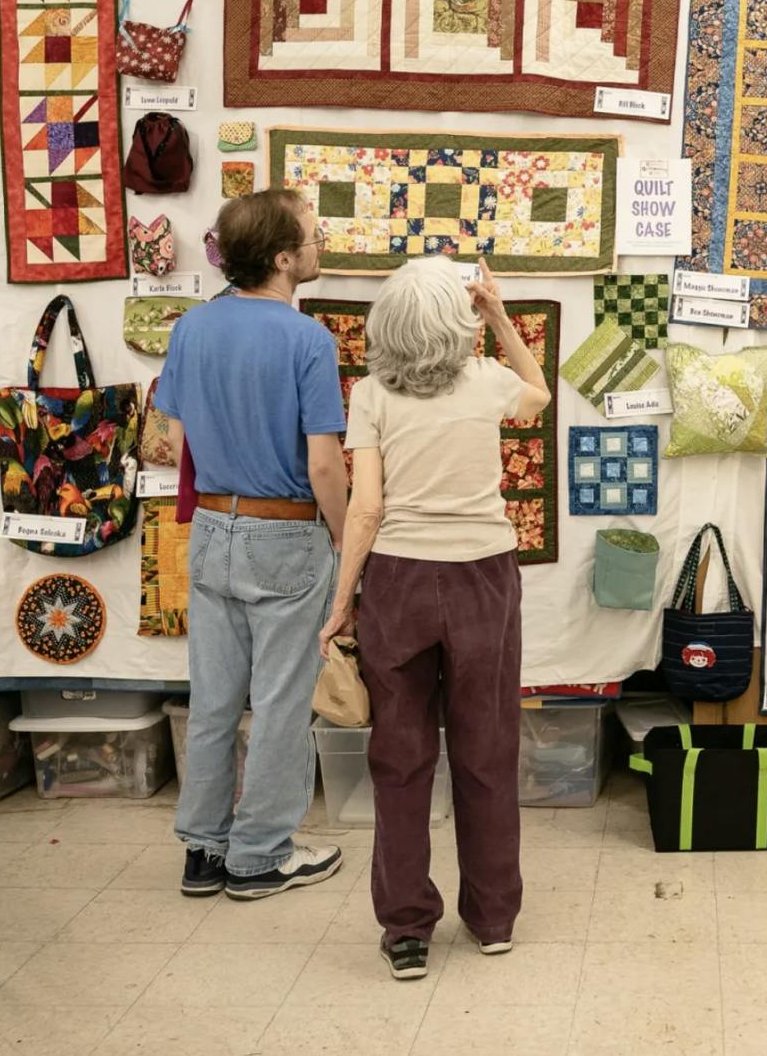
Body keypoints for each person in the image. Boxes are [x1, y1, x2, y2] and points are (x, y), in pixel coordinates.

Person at [318, 257, 550, 981]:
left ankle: (407, 929)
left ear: (385, 325)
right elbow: (539, 396)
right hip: (484, 578)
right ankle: (493, 919)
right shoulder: (486, 379)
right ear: (459, 322)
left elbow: (366, 509)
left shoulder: (369, 394)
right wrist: (500, 314)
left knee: (400, 757)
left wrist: (341, 603)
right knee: (487, 749)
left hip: (400, 583)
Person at [155, 188, 350, 902]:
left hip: (213, 527)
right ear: (283, 258)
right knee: (280, 703)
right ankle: (261, 855)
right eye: (312, 235)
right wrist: (345, 540)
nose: (320, 245)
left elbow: (174, 435)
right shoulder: (307, 340)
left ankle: (203, 850)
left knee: (212, 700)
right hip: (286, 531)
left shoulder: (192, 327)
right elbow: (324, 463)